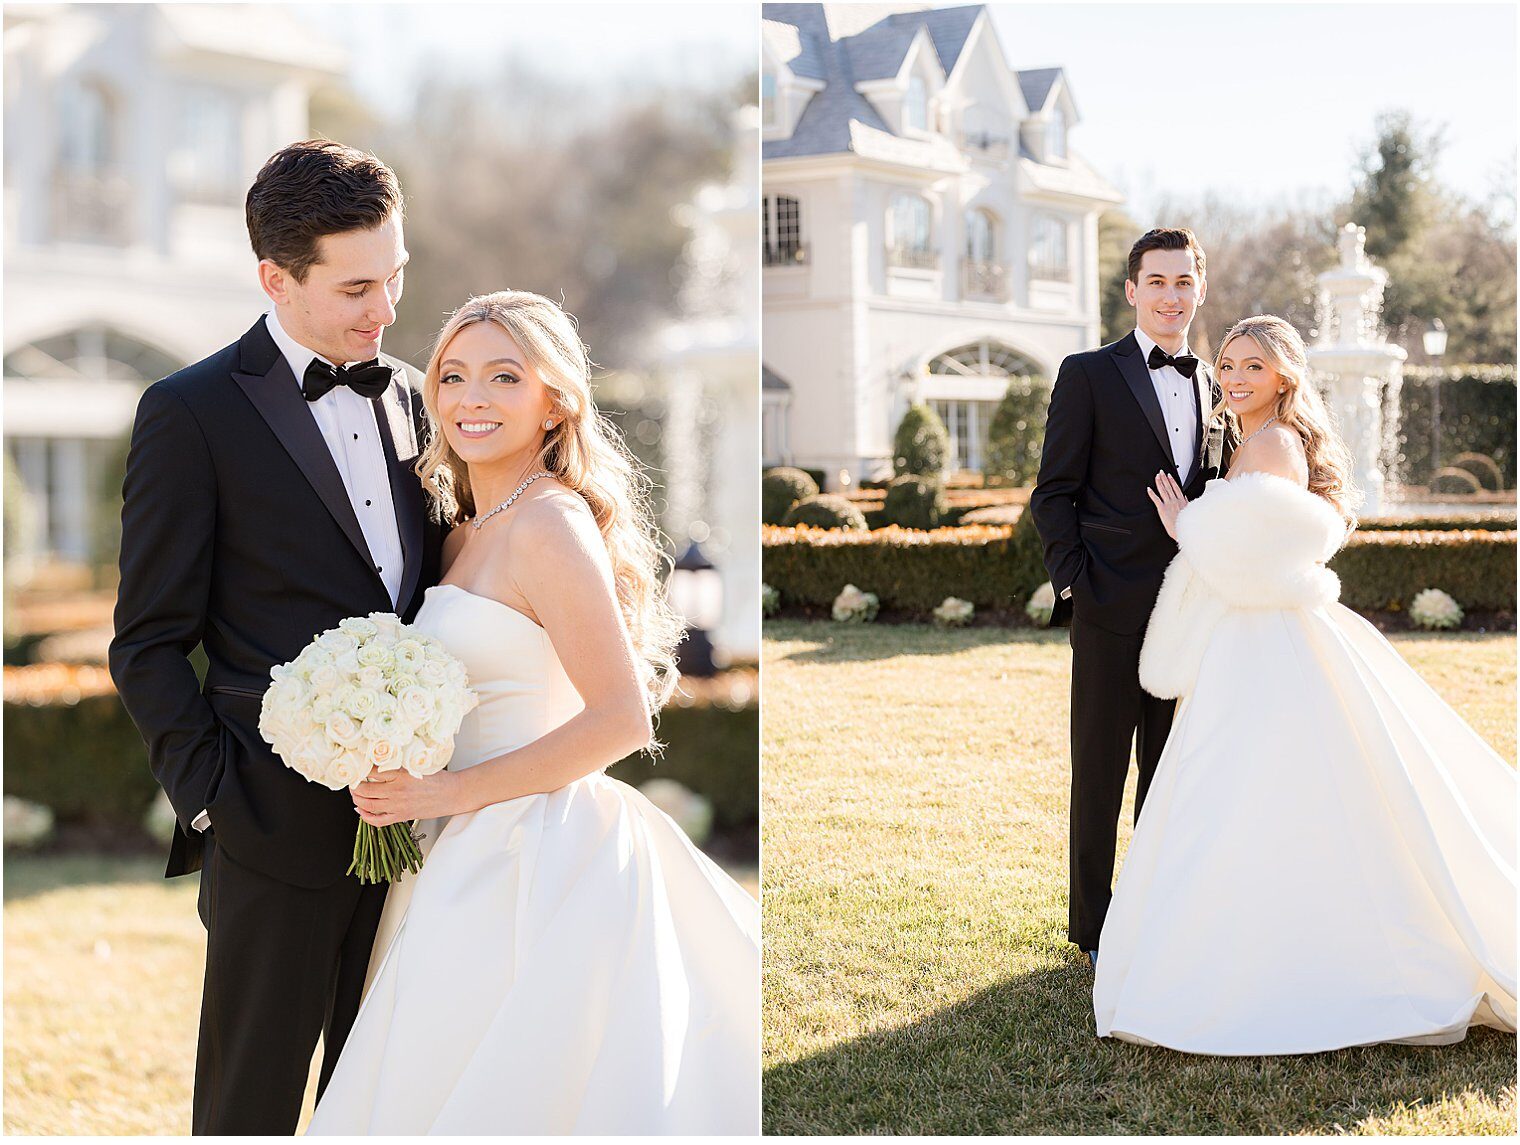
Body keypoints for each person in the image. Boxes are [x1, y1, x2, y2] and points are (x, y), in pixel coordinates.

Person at [306, 291, 761, 1134]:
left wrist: (450, 792)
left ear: (554, 401)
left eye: (503, 377)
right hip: (448, 846)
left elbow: (623, 718)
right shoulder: (458, 532)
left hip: (533, 850)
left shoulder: (549, 522)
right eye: (453, 376)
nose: (471, 399)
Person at [109, 140, 440, 1133]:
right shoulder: (189, 412)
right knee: (247, 1110)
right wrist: (214, 800)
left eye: (394, 276)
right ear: (275, 278)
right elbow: (147, 639)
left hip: (426, 829)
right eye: (354, 287)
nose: (382, 308)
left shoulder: (424, 397)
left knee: (383, 1099)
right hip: (267, 828)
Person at [1094, 315, 1517, 1053]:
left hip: (1266, 642)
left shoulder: (1270, 443)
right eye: (1227, 365)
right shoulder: (1252, 443)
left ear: (1284, 376)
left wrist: (1188, 524)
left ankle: (1267, 966)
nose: (1233, 378)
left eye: (1252, 367)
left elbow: (1260, 565)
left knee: (1256, 792)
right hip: (1250, 640)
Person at [1030, 228, 1229, 966]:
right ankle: (1091, 928)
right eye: (1158, 282)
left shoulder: (1216, 383)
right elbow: (1052, 493)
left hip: (1187, 609)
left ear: (1199, 288)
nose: (1171, 295)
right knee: (1101, 767)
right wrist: (1078, 579)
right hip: (1109, 607)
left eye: (1184, 282)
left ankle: (1152, 912)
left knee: (1169, 766)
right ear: (1132, 291)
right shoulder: (1087, 374)